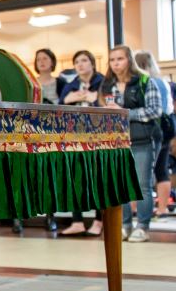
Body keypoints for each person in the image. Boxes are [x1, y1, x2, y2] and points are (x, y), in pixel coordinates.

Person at [100, 45, 163, 242]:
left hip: (143, 139)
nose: (116, 63)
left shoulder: (145, 81)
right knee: (122, 186)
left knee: (143, 186)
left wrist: (125, 113)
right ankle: (124, 225)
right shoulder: (107, 85)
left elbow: (155, 110)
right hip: (117, 142)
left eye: (120, 59)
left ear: (129, 60)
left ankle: (143, 226)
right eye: (112, 60)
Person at [58, 49, 106, 236]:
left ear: (92, 63)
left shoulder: (102, 82)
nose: (80, 64)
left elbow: (102, 102)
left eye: (84, 60)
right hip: (75, 139)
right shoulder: (71, 85)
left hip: (98, 138)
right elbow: (62, 104)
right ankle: (77, 221)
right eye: (77, 61)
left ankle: (99, 221)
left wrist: (87, 98)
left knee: (98, 180)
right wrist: (77, 98)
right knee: (76, 179)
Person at [135, 50, 176, 217]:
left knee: (141, 173)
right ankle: (162, 208)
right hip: (166, 129)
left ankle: (137, 209)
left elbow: (154, 110)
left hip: (149, 130)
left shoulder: (144, 83)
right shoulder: (162, 82)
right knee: (162, 169)